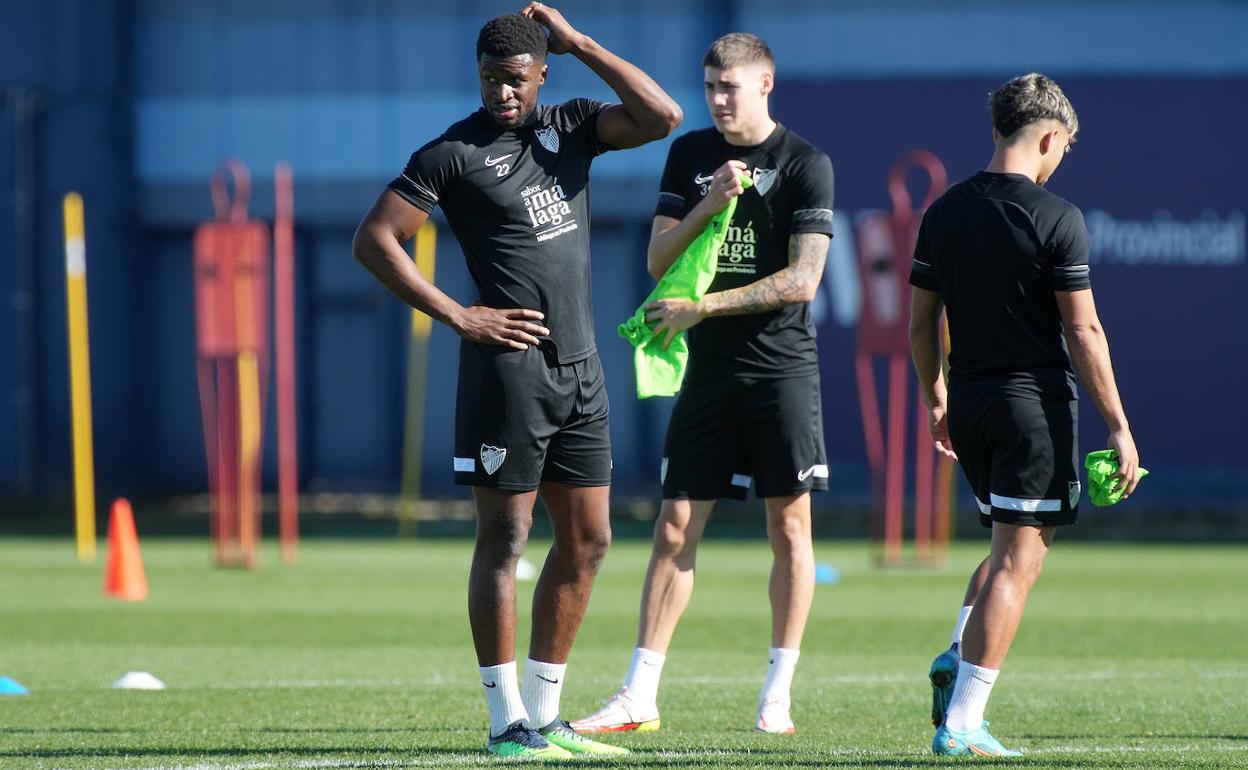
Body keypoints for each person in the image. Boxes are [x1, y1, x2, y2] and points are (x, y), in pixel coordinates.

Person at [351, 3, 681, 759]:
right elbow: (375, 240)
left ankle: (547, 716)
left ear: (542, 74)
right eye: (491, 80)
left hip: (582, 368)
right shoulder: (451, 154)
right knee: (505, 542)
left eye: (517, 79)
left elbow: (661, 115)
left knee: (591, 540)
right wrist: (463, 317)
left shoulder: (568, 126)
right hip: (511, 374)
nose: (504, 94)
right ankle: (506, 726)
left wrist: (580, 42)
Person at [572, 32, 834, 736]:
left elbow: (804, 280)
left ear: (766, 85)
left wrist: (704, 308)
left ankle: (777, 695)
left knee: (789, 525)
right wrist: (707, 206)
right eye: (711, 86)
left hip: (781, 369)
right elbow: (659, 257)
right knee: (675, 524)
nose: (718, 100)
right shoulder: (691, 154)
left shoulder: (806, 163)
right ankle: (638, 696)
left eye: (732, 87)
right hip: (708, 372)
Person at [908, 72, 1141, 757]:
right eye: (1063, 146)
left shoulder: (944, 212)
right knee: (1019, 562)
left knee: (1008, 546)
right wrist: (1120, 425)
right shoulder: (1056, 217)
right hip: (1032, 408)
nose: (1061, 157)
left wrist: (936, 398)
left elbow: (922, 324)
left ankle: (958, 647)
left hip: (973, 405)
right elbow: (1085, 332)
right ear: (1047, 136)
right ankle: (964, 721)